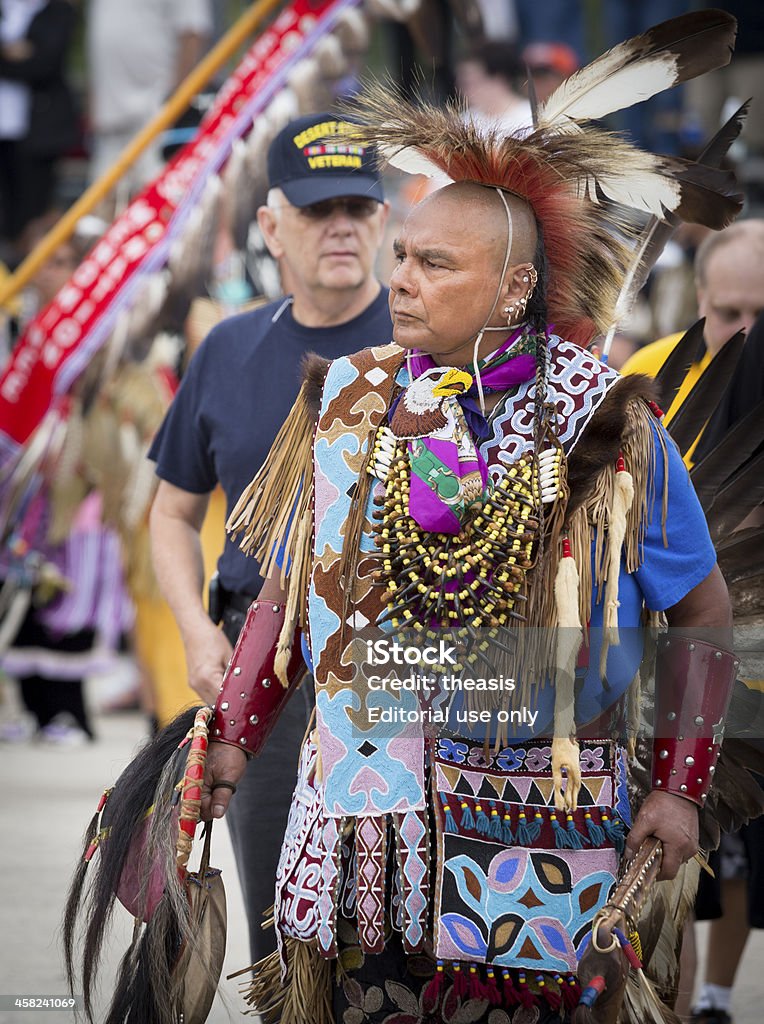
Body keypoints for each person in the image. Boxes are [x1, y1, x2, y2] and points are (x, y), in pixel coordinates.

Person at [199, 44, 747, 1023]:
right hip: (369, 823)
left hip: (544, 826)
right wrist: (233, 735)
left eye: (433, 264)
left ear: (510, 292)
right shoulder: (350, 403)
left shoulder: (605, 428)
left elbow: (699, 605)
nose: (398, 279)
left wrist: (677, 786)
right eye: (401, 255)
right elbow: (290, 588)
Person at [148, 111, 391, 965]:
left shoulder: (427, 343)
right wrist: (192, 627)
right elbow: (172, 512)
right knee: (273, 926)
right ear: (270, 225)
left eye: (360, 208)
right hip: (262, 667)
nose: (342, 228)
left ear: (385, 221)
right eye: (320, 209)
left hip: (398, 660)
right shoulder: (227, 348)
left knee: (387, 922)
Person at [621, 219, 764, 464]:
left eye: (762, 318)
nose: (748, 331)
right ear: (701, 299)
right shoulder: (648, 372)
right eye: (729, 313)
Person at [87, 0, 212, 192]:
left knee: (155, 205)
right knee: (101, 213)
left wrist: (175, 104)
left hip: (156, 117)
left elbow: (192, 32)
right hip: (109, 122)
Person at [0, 0, 78, 264]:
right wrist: (13, 52)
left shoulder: (57, 11)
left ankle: (23, 281)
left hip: (38, 138)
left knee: (30, 219)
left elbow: (45, 64)